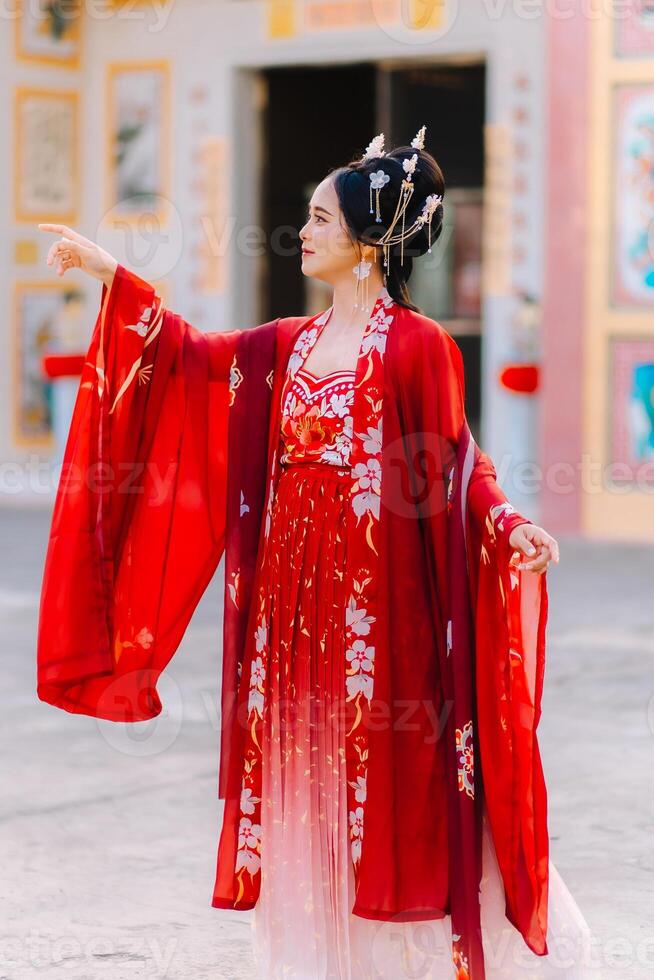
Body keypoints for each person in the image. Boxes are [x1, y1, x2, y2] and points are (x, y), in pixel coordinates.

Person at [36, 128, 596, 979]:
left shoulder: (417, 347)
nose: (304, 232)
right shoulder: (284, 346)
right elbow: (187, 360)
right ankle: (318, 952)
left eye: (321, 218)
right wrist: (118, 278)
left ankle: (395, 954)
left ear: (370, 239)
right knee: (305, 765)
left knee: (384, 768)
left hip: (383, 600)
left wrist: (506, 520)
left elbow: (453, 457)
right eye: (306, 217)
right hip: (290, 604)